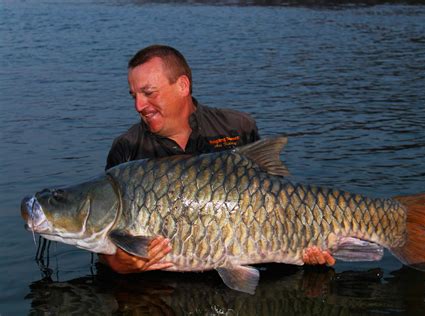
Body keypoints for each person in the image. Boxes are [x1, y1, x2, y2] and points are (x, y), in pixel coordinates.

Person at [100, 44, 335, 273]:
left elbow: (272, 200)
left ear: (182, 86)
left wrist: (306, 240)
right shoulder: (127, 148)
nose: (139, 105)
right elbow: (103, 230)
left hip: (246, 262)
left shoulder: (235, 128)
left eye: (149, 93)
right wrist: (116, 263)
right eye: (134, 96)